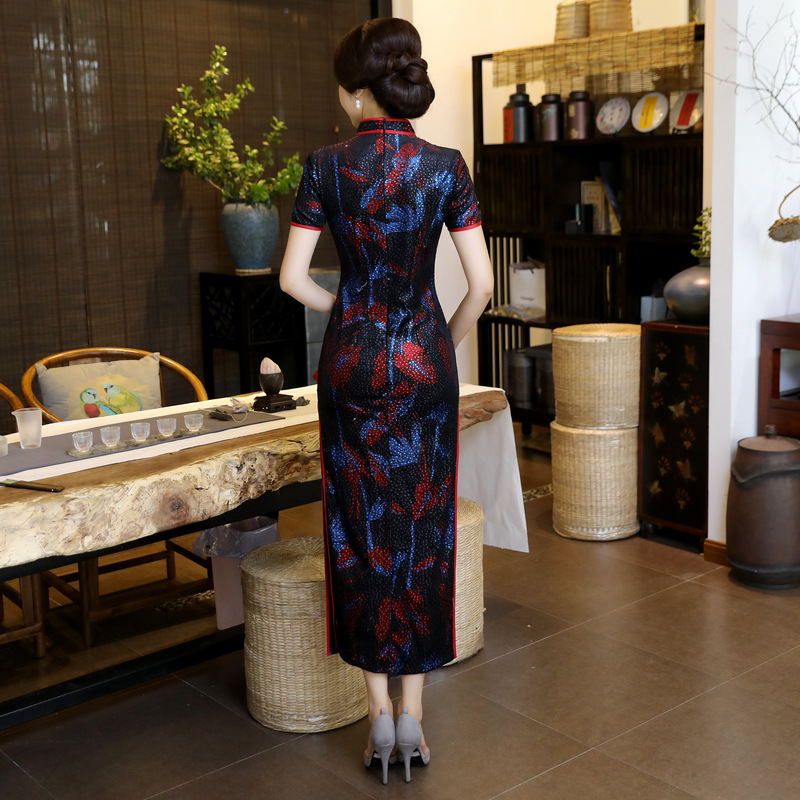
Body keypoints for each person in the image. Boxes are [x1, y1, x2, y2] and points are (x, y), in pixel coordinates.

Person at [279, 17, 493, 785]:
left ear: (354, 92)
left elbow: (292, 280)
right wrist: (439, 343)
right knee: (423, 527)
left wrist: (350, 316)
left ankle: (377, 716)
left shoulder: (325, 166)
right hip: (425, 363)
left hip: (351, 365)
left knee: (358, 528)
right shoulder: (446, 166)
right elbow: (482, 286)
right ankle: (415, 719)